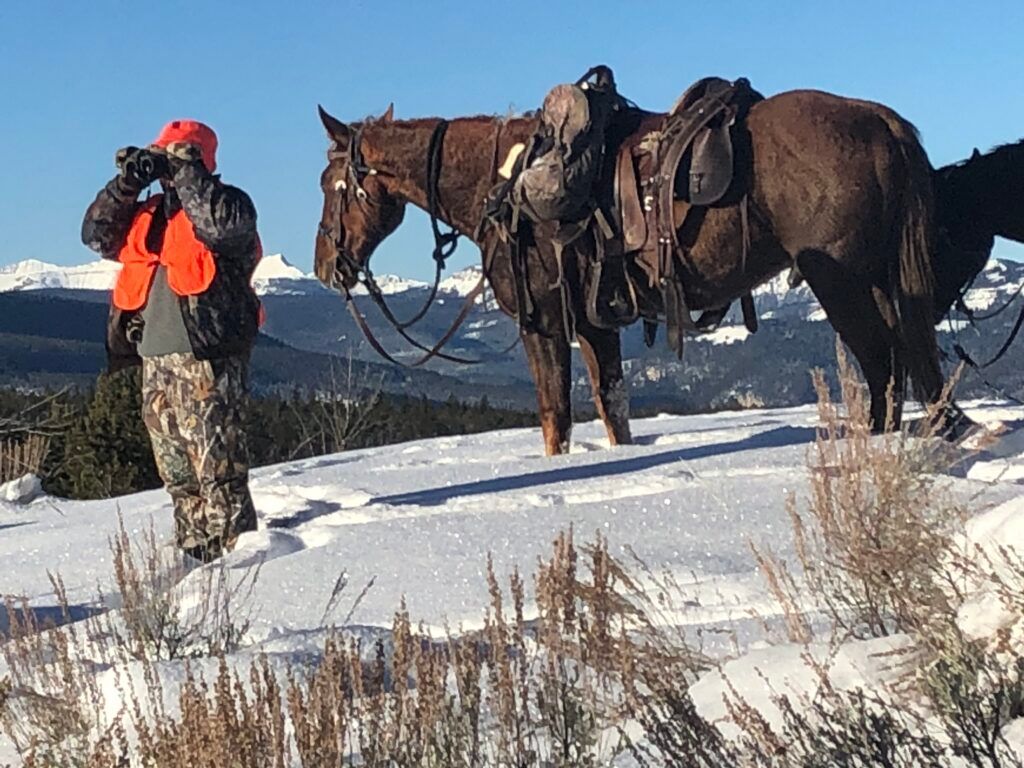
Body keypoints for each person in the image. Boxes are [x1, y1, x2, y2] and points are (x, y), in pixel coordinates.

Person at [82, 119, 261, 562]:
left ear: (200, 159)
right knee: (177, 472)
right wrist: (125, 184)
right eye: (160, 152)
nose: (163, 162)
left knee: (218, 467)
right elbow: (95, 235)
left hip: (207, 357)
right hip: (154, 357)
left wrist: (185, 172)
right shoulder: (146, 214)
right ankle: (196, 555)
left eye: (175, 152)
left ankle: (239, 561)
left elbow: (219, 228)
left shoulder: (229, 206)